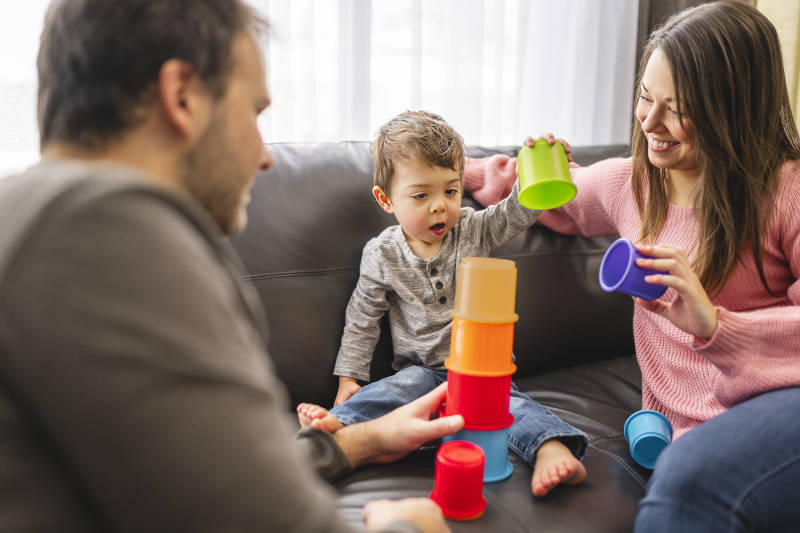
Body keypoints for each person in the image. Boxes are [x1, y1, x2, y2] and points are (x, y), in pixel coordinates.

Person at [0, 1, 464, 532]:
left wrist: (356, 442)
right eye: (253, 112)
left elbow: (182, 474)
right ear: (182, 97)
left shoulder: (36, 217)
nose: (264, 156)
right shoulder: (107, 227)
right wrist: (407, 526)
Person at [464, 1, 800, 530]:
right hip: (684, 432)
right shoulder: (634, 185)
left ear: (733, 107)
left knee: (695, 481)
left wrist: (717, 325)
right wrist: (442, 170)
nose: (648, 121)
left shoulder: (787, 192)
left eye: (677, 107)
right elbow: (546, 194)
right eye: (645, 97)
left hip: (778, 407)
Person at [296, 110, 588, 497]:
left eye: (450, 191)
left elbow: (515, 213)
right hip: (420, 374)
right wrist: (349, 379)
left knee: (512, 406)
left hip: (481, 372)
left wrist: (534, 176)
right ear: (386, 200)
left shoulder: (471, 228)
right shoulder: (382, 254)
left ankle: (552, 449)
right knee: (391, 392)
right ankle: (337, 426)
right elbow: (363, 318)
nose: (440, 206)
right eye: (421, 195)